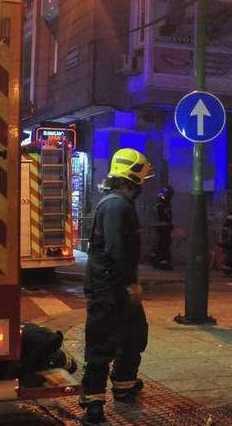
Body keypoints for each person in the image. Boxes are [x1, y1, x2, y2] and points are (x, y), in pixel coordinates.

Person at [79, 148, 154, 425]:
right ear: (132, 178)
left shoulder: (118, 203)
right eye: (142, 178)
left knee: (134, 334)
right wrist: (131, 283)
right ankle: (93, 402)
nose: (143, 184)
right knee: (101, 344)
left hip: (115, 286)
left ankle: (124, 385)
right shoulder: (116, 205)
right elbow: (117, 249)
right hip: (108, 288)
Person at [151, 185, 174, 270]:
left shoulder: (167, 204)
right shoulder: (159, 205)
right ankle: (160, 262)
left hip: (165, 229)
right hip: (161, 229)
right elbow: (160, 217)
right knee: (161, 245)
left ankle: (163, 262)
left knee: (165, 245)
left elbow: (168, 217)